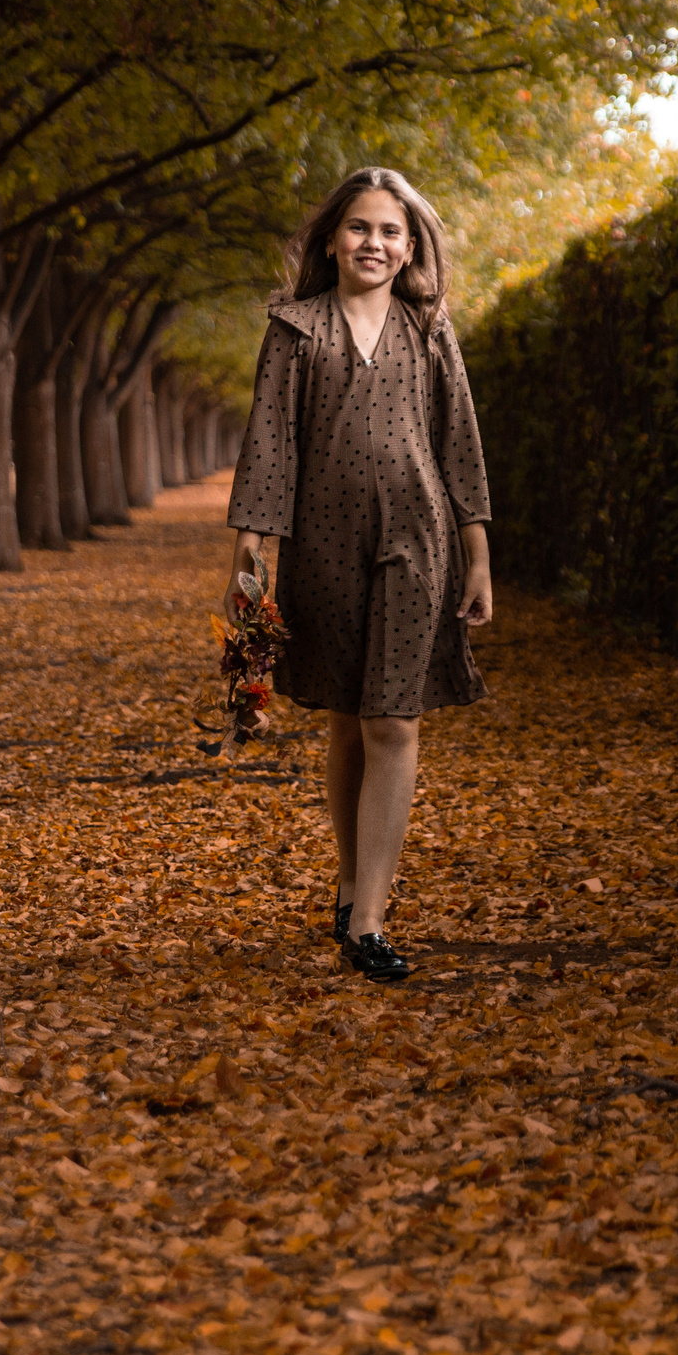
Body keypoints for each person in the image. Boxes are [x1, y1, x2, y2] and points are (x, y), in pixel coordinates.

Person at [225, 167, 495, 982]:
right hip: (322, 544)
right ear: (332, 240)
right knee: (347, 719)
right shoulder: (295, 329)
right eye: (359, 227)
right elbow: (269, 441)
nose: (373, 243)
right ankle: (350, 885)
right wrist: (249, 555)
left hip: (418, 541)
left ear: (410, 248)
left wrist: (479, 554)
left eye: (389, 231)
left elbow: (459, 441)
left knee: (394, 722)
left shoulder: (430, 329)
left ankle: (369, 919)